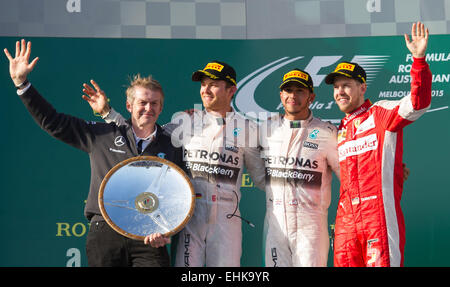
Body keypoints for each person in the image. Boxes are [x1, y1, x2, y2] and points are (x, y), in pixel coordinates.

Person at [3, 39, 184, 267]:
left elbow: (180, 195)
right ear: (129, 106)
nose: (148, 108)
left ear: (161, 107)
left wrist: (166, 230)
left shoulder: (173, 144)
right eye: (143, 102)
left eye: (154, 104)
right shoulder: (101, 133)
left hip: (149, 235)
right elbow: (53, 122)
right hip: (105, 231)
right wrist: (22, 85)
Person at [84, 60, 266, 267]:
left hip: (227, 218)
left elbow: (262, 178)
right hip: (190, 216)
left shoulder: (248, 128)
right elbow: (140, 130)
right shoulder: (185, 121)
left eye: (213, 84)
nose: (205, 90)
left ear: (231, 90)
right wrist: (107, 113)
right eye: (203, 84)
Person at [325, 21, 432, 267]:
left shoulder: (381, 113)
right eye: (336, 87)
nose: (340, 91)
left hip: (379, 219)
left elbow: (418, 103)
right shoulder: (336, 130)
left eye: (347, 85)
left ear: (362, 87)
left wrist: (418, 60)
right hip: (345, 225)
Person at [260, 69, 340, 266]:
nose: (292, 96)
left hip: (311, 226)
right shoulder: (266, 129)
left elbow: (350, 173)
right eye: (288, 90)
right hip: (276, 223)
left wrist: (391, 166)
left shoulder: (327, 132)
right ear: (281, 95)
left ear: (311, 97)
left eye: (299, 91)